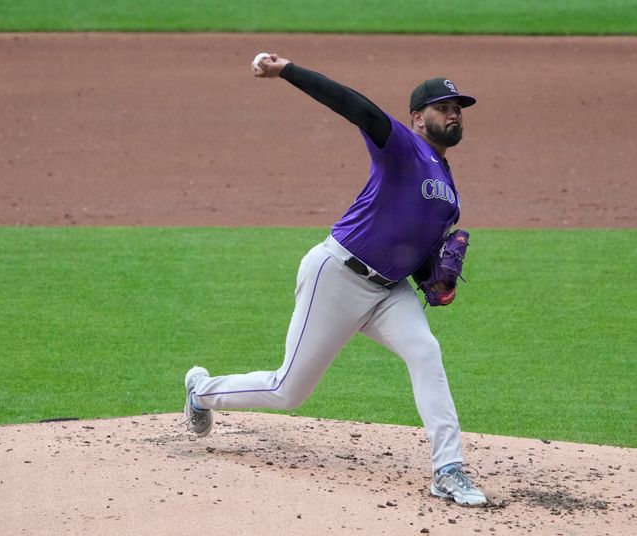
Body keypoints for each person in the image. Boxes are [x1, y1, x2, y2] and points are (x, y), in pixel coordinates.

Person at [183, 52, 487, 507]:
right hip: (338, 276)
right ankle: (201, 392)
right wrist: (287, 70)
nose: (453, 113)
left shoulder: (449, 188)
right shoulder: (401, 146)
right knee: (288, 391)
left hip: (389, 292)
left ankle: (448, 469)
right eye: (443, 107)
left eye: (457, 107)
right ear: (418, 118)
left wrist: (436, 280)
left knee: (426, 351)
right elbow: (354, 105)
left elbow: (422, 257)